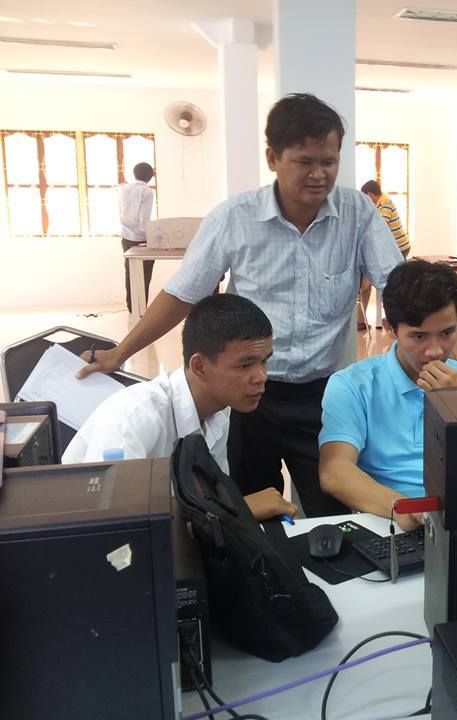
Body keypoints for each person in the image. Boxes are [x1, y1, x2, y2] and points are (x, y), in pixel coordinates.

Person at [77, 93, 404, 517]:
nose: (319, 174)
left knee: (334, 512)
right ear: (273, 158)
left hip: (323, 394)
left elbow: (397, 288)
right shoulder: (234, 218)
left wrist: (421, 345)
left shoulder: (358, 212)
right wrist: (121, 352)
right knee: (249, 510)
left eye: (329, 161)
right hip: (248, 395)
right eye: (304, 161)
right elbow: (183, 293)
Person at [63, 295, 296, 521]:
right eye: (245, 365)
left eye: (264, 361)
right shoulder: (133, 419)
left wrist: (229, 512)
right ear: (200, 367)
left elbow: (209, 500)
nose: (261, 377)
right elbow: (118, 526)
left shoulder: (220, 410)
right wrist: (239, 510)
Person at [318, 260, 457, 530]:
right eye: (419, 337)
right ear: (390, 328)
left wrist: (456, 406)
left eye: (447, 333)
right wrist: (402, 507)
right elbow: (334, 472)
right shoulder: (352, 385)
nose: (435, 351)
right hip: (388, 518)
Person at [357, 179, 410, 330]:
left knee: (393, 283)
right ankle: (361, 320)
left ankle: (394, 319)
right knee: (367, 285)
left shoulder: (385, 202)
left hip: (398, 248)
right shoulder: (377, 204)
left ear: (370, 194)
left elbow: (380, 226)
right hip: (384, 248)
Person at [120, 162, 155, 313]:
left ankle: (132, 307)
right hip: (142, 238)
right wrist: (152, 239)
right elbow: (144, 220)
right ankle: (141, 309)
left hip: (126, 236)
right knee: (144, 274)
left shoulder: (124, 189)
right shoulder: (147, 192)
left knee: (130, 272)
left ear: (134, 173)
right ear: (151, 176)